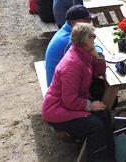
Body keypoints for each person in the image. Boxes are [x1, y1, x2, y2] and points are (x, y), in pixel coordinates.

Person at [42, 23, 114, 161]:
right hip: (56, 110)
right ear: (84, 40)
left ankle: (110, 157)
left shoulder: (83, 53)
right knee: (95, 126)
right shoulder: (72, 64)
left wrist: (98, 57)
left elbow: (99, 72)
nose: (94, 38)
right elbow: (69, 100)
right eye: (92, 36)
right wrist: (90, 105)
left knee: (104, 114)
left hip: (69, 103)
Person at [45, 5, 100, 86]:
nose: (90, 23)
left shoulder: (67, 31)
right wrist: (98, 55)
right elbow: (89, 62)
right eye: (88, 20)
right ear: (76, 22)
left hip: (59, 79)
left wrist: (97, 50)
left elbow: (93, 45)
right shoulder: (71, 40)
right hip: (60, 86)